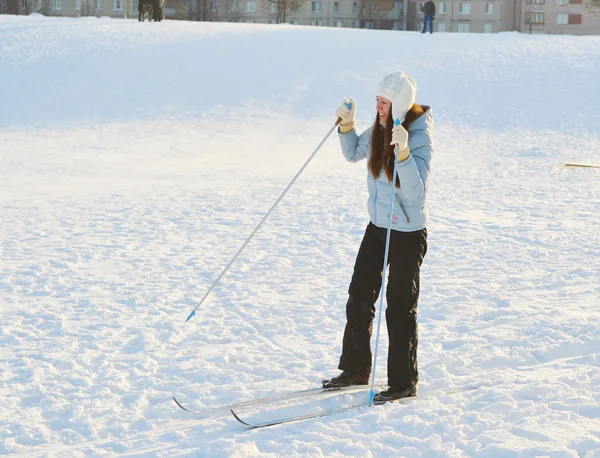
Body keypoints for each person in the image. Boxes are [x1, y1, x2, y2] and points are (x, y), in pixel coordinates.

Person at [322, 72, 433, 403]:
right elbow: (354, 152)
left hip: (408, 232)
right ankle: (356, 368)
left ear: (398, 104)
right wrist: (347, 125)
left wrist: (404, 153)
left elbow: (416, 193)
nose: (379, 107)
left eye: (384, 102)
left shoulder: (419, 135)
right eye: (377, 101)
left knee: (399, 307)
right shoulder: (382, 126)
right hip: (378, 225)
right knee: (359, 295)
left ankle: (403, 382)